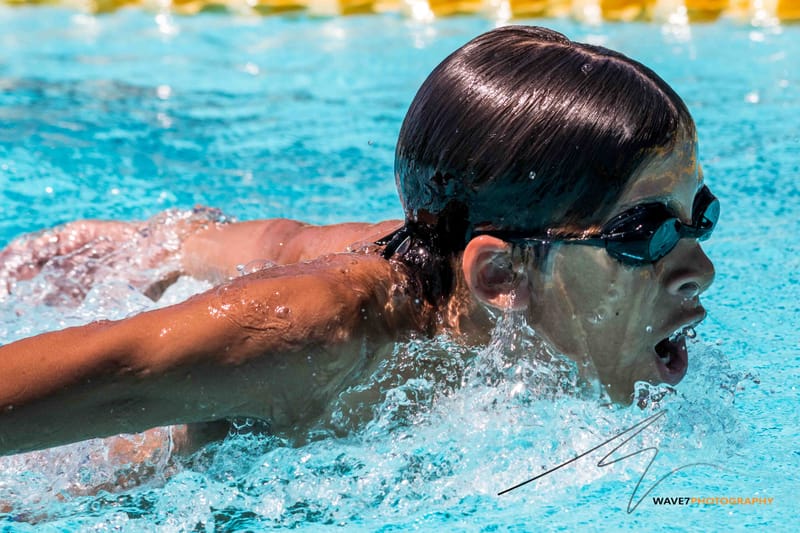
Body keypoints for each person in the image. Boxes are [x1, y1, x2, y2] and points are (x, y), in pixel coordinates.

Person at [0, 25, 717, 458]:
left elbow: (290, 239)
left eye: (699, 216)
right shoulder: (314, 339)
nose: (701, 268)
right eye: (644, 233)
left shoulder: (442, 262)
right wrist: (148, 254)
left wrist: (174, 244)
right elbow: (121, 365)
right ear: (501, 276)